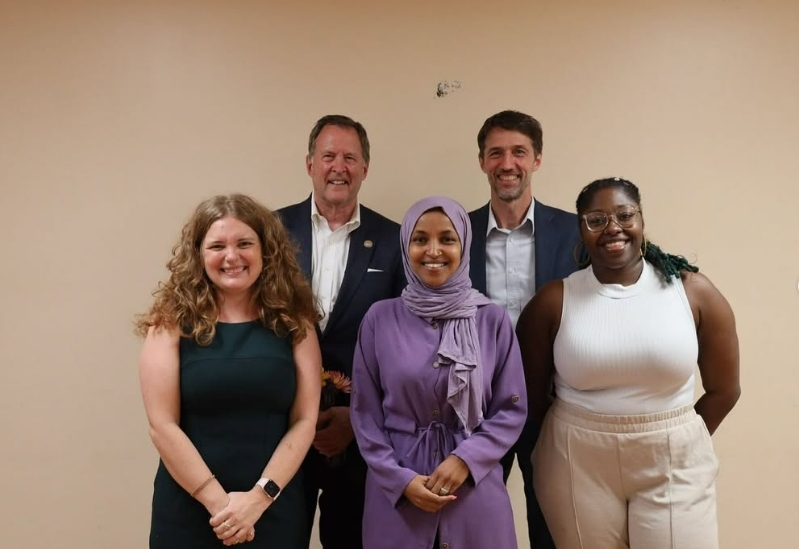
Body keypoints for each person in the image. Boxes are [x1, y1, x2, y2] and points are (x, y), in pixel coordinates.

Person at [519, 177, 741, 549]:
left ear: (640, 219)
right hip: (576, 460)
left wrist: (676, 438)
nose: (613, 228)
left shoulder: (692, 291)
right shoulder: (555, 300)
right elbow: (531, 394)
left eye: (624, 215)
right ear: (581, 229)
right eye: (596, 220)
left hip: (673, 457)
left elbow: (725, 389)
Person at [137, 194, 321, 548]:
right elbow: (162, 426)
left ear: (266, 250)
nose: (232, 256)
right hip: (190, 510)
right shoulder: (170, 324)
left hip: (273, 507)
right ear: (198, 255)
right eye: (217, 245)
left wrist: (257, 499)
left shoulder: (297, 321)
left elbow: (305, 420)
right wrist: (223, 507)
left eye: (244, 243)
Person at [351, 196, 527, 549]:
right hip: (396, 498)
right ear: (406, 246)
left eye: (447, 239)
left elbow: (511, 410)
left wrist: (466, 459)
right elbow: (365, 415)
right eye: (420, 239)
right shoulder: (379, 320)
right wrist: (400, 481)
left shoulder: (491, 320)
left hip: (474, 494)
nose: (433, 250)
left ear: (464, 245)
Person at [278, 114, 405, 549]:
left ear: (365, 169)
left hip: (358, 435)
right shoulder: (269, 233)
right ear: (309, 163)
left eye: (350, 158)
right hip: (280, 426)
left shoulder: (394, 240)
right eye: (328, 155)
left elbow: (401, 344)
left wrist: (359, 417)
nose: (339, 166)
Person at [468, 109, 580, 548]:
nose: (507, 163)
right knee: (473, 524)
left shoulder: (574, 232)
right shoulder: (457, 233)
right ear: (482, 162)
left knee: (552, 527)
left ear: (536, 160)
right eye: (496, 153)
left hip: (552, 404)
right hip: (477, 409)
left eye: (519, 152)